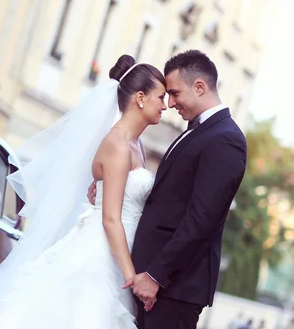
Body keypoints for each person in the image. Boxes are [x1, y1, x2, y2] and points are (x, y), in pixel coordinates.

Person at [0, 54, 167, 328]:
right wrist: (131, 276)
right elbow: (110, 218)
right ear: (140, 98)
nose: (165, 106)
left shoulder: (136, 146)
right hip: (100, 254)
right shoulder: (118, 144)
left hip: (119, 249)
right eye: (161, 97)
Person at [89, 50, 248, 329]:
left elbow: (203, 219)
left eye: (174, 94)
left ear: (199, 87)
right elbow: (168, 200)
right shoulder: (198, 131)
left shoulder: (225, 139)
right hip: (148, 281)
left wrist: (156, 276)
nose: (170, 104)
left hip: (175, 287)